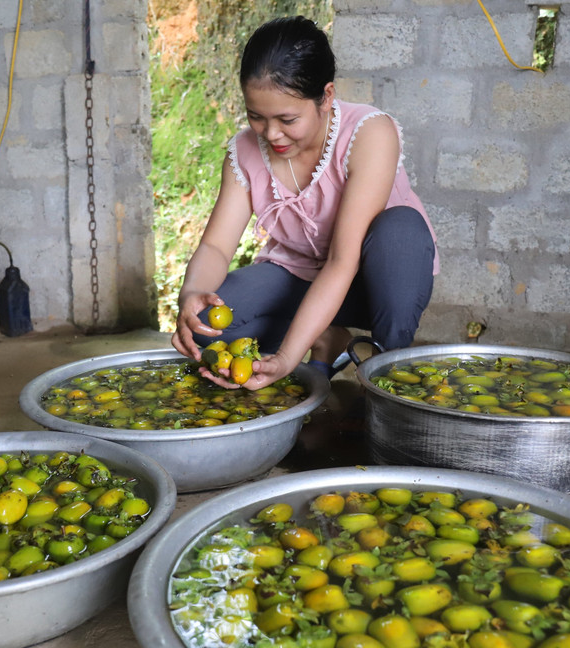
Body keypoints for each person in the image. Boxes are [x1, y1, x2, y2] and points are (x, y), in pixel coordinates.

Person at [170, 15, 439, 390]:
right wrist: (191, 294)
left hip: (371, 280)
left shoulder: (370, 134)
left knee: (401, 231)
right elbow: (216, 246)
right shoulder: (245, 151)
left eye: (287, 118)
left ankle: (382, 369)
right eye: (256, 117)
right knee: (203, 334)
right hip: (297, 276)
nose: (272, 134)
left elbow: (342, 262)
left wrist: (285, 359)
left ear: (326, 97)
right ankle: (325, 338)